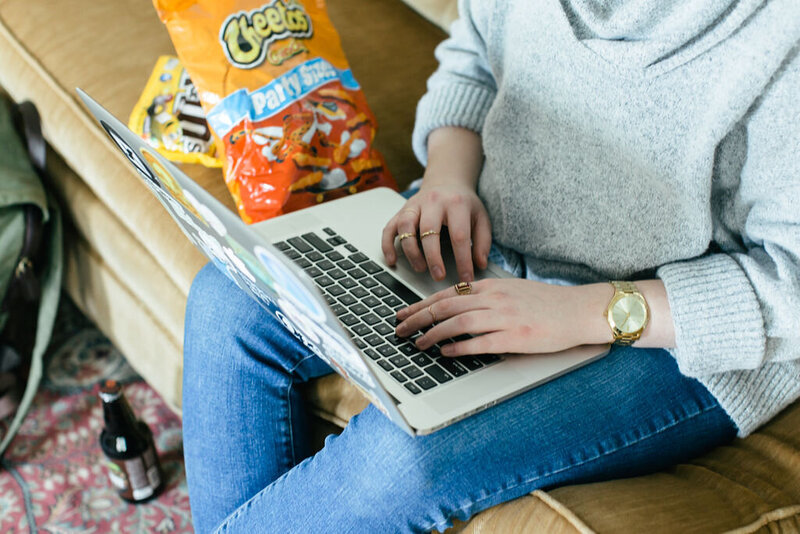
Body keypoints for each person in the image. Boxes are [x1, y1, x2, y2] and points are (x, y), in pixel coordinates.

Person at [181, 0, 800, 532]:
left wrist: (584, 312)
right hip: (489, 246)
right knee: (229, 297)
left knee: (405, 458)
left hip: (668, 335)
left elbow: (789, 282)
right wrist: (449, 178)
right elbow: (474, 54)